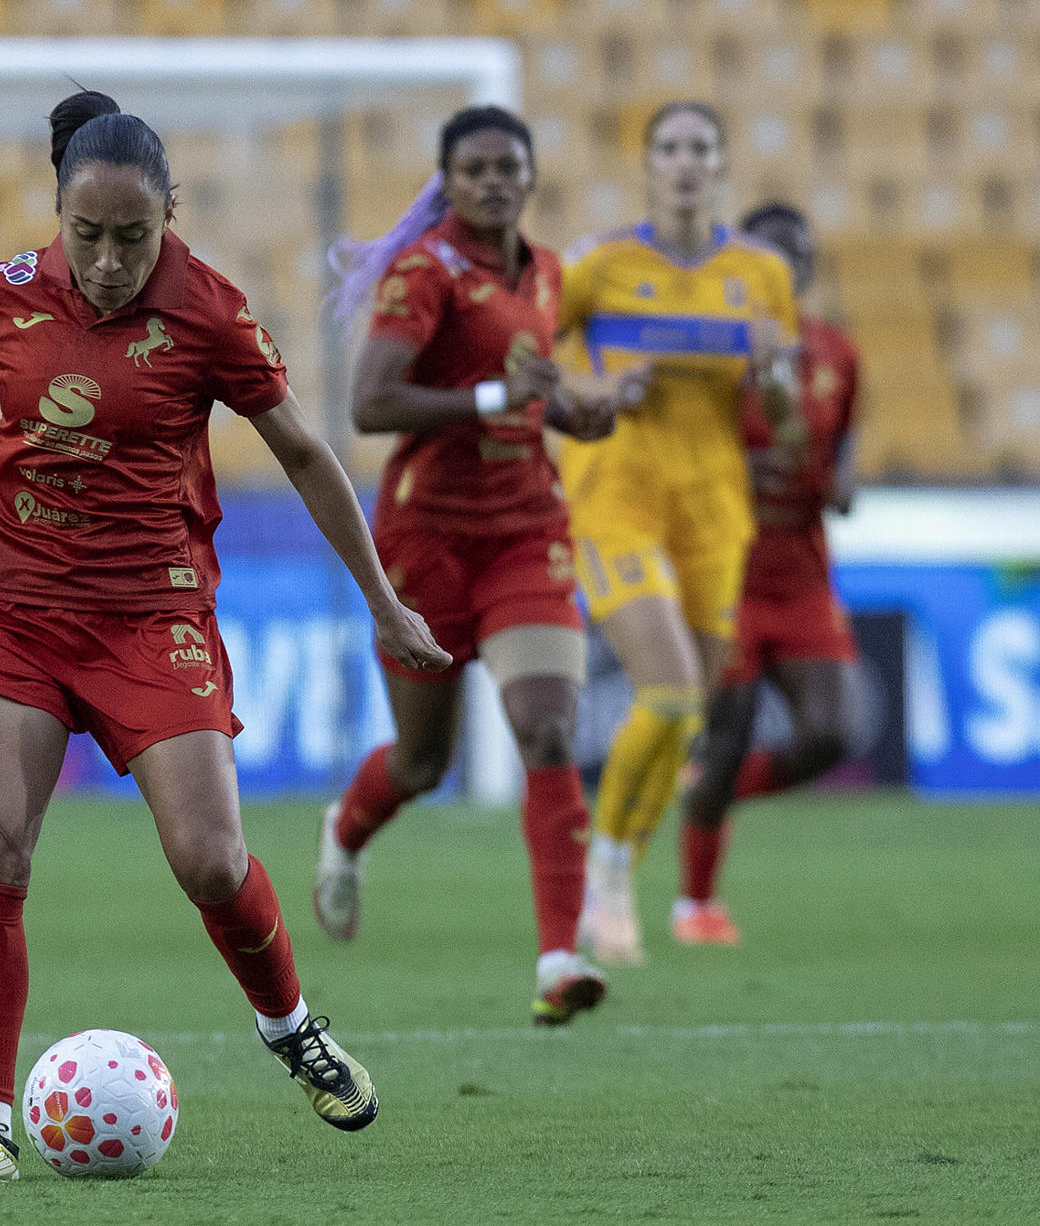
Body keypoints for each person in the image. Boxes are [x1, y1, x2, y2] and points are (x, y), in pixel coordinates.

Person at [0, 90, 449, 1180]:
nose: (111, 261)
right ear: (58, 215)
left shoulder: (210, 311)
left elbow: (307, 454)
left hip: (152, 616)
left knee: (210, 859)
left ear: (171, 213)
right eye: (88, 235)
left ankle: (291, 1027)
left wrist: (383, 601)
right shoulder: (4, 292)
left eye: (134, 235)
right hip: (15, 611)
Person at [312, 106, 621, 1025]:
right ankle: (345, 829)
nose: (493, 182)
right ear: (447, 183)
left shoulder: (548, 272)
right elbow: (371, 405)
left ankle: (560, 959)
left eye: (507, 167)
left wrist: (574, 413)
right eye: (476, 169)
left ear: (530, 178)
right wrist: (494, 397)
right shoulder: (426, 272)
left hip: (526, 530)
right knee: (422, 762)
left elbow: (527, 388)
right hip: (429, 540)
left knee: (548, 732)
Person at [555, 102, 803, 966]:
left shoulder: (761, 274)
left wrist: (775, 376)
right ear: (649, 165)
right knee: (665, 690)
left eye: (701, 147)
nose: (686, 162)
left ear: (723, 163)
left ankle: (618, 865)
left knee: (689, 710)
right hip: (615, 497)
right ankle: (605, 872)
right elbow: (531, 357)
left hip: (714, 511)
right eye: (670, 148)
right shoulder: (599, 266)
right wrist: (595, 390)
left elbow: (784, 419)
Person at [676, 201, 862, 944]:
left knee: (834, 733)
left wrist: (843, 484)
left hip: (804, 577)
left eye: (801, 256)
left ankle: (710, 797)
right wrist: (738, 472)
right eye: (774, 256)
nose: (790, 269)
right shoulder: (709, 355)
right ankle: (696, 906)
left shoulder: (838, 353)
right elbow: (675, 460)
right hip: (726, 573)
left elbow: (843, 452)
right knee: (728, 733)